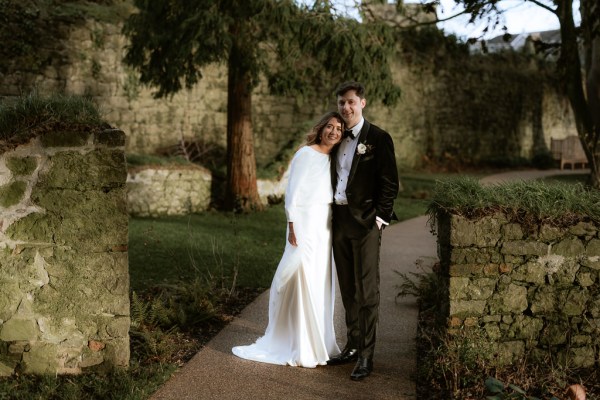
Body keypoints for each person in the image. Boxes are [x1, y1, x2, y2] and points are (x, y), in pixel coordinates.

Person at [232, 112, 344, 367]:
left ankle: (319, 342)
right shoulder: (306, 153)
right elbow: (292, 191)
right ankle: (299, 342)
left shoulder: (335, 158)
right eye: (330, 126)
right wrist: (292, 224)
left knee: (319, 278)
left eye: (338, 128)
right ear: (321, 128)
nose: (334, 131)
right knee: (299, 274)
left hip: (324, 225)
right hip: (303, 223)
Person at [327, 81, 400, 381]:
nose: (346, 107)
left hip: (367, 223)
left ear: (363, 103)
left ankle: (367, 356)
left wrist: (380, 219)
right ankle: (353, 345)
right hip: (339, 221)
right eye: (342, 102)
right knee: (348, 288)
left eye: (351, 102)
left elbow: (390, 182)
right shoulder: (335, 136)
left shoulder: (378, 138)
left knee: (367, 291)